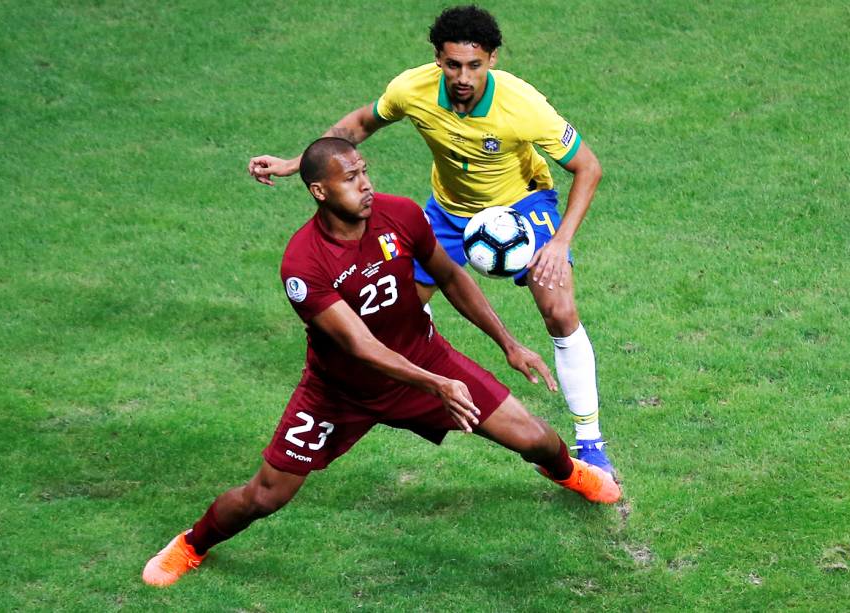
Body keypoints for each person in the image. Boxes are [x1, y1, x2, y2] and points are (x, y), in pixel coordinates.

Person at [142, 138, 620, 587]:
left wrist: (508, 343)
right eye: (350, 178)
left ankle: (568, 473)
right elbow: (361, 347)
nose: (366, 184)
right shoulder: (303, 264)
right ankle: (192, 544)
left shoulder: (401, 214)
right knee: (265, 496)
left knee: (536, 437)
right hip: (340, 394)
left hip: (428, 360)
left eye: (364, 172)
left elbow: (451, 277)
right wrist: (437, 385)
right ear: (319, 191)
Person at [248, 5, 615, 474]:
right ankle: (383, 397)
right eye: (453, 64)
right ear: (438, 59)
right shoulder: (412, 89)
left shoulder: (523, 106)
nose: (463, 76)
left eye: (475, 65)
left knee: (559, 309)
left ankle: (589, 440)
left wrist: (560, 243)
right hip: (447, 212)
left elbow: (589, 166)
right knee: (390, 312)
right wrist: (295, 162)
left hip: (520, 208)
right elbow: (355, 128)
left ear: (493, 59)